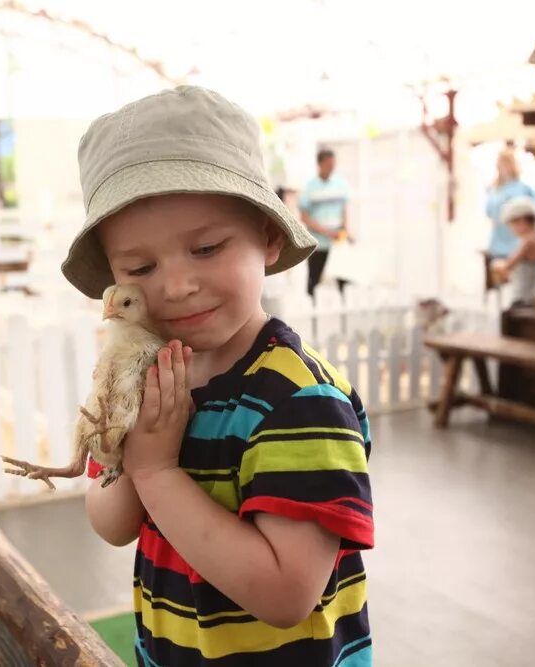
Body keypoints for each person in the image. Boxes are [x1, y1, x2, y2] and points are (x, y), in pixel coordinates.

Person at [63, 86, 374, 666]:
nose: (177, 285)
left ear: (269, 235)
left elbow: (287, 593)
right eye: (141, 267)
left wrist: (156, 470)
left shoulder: (297, 399)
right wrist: (126, 450)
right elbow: (110, 521)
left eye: (206, 248)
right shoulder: (146, 376)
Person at [484, 147, 535, 260]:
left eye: (504, 164)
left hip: (518, 247)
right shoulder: (494, 190)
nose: (501, 168)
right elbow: (489, 212)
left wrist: (527, 224)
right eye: (499, 164)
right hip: (498, 245)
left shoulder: (522, 187)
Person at [298, 148, 353, 297]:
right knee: (314, 280)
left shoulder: (340, 184)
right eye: (328, 165)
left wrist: (347, 230)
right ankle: (313, 312)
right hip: (318, 243)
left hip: (338, 242)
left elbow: (345, 209)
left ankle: (344, 311)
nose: (331, 168)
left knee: (344, 280)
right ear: (320, 164)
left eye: (333, 165)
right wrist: (327, 232)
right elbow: (304, 216)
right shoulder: (310, 187)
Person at [490, 196, 535, 305]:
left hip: (524, 300)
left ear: (522, 220)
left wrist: (496, 265)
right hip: (530, 297)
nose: (511, 229)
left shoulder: (529, 242)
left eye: (511, 224)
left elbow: (507, 265)